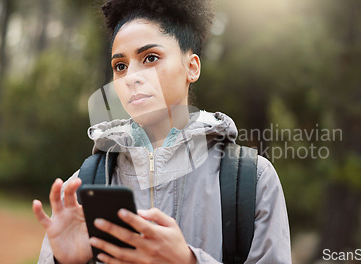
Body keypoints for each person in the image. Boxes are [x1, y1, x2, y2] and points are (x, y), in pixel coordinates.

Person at [32, 0, 291, 263]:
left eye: (150, 58)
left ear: (192, 67)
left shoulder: (253, 180)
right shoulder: (83, 185)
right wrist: (65, 261)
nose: (131, 76)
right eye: (120, 66)